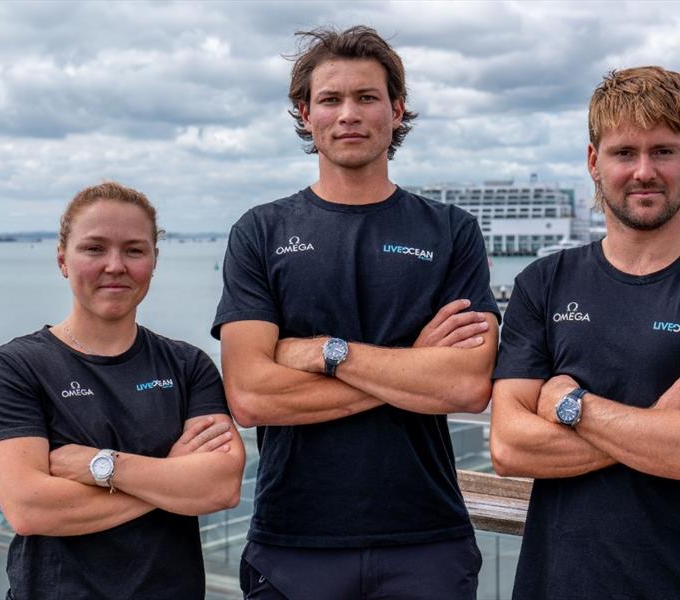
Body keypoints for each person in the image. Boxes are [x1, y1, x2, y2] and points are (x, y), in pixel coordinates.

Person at [213, 26, 499, 599]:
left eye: (367, 98)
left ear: (396, 111)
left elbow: (467, 386)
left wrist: (320, 353)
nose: (349, 114)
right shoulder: (261, 232)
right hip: (293, 540)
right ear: (304, 114)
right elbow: (250, 396)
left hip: (427, 539)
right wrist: (414, 366)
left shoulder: (449, 231)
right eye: (330, 99)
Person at [490, 66, 680, 599]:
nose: (644, 171)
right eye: (624, 153)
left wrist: (573, 405)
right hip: (556, 584)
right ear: (594, 162)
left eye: (662, 151)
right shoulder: (543, 282)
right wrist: (660, 428)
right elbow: (509, 447)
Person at [0, 182, 245, 600]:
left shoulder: (188, 366)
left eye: (134, 250)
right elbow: (29, 508)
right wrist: (171, 479)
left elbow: (221, 487)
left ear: (154, 261)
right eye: (95, 248)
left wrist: (101, 466)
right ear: (63, 259)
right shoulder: (17, 367)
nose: (115, 265)